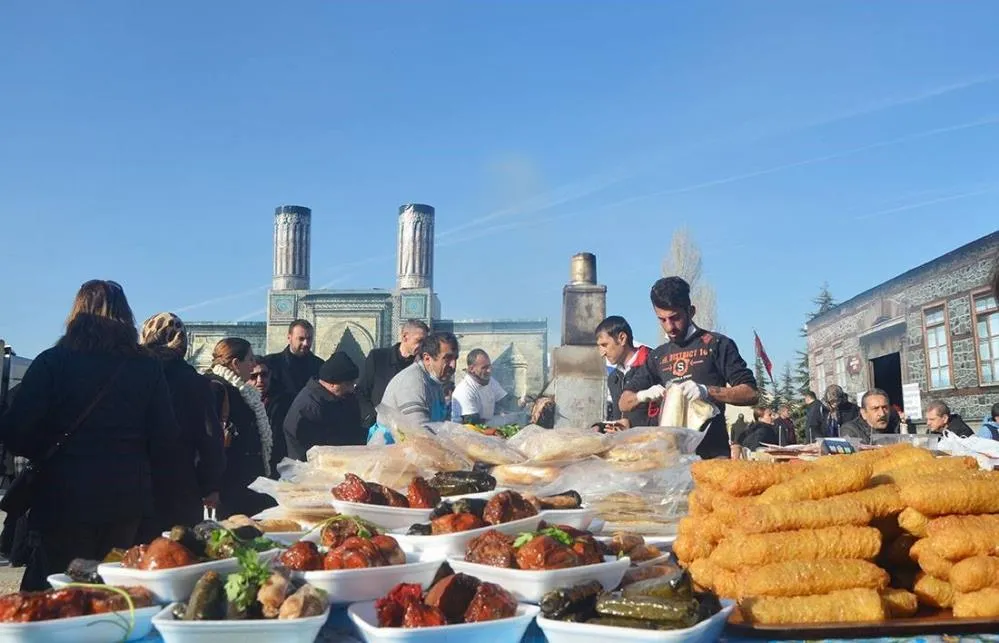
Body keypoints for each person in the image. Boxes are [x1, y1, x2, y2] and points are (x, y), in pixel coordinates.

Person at [0, 280, 180, 590]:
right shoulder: (146, 368)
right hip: (125, 501)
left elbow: (16, 432)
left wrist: (48, 451)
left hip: (62, 498)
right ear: (126, 317)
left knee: (61, 588)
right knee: (112, 588)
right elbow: (166, 439)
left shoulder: (52, 362)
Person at [619, 277, 759, 459]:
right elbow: (624, 402)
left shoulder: (716, 344)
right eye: (662, 320)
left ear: (691, 311)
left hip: (712, 457)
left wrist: (707, 391)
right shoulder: (658, 355)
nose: (669, 327)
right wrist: (642, 396)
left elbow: (751, 393)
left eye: (675, 318)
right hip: (672, 460)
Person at [138, 313, 226, 539]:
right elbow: (209, 438)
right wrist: (210, 486)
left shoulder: (134, 376)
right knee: (179, 550)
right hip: (179, 485)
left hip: (136, 484)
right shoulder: (195, 383)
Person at [205, 338, 276, 518]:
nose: (253, 365)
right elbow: (208, 441)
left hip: (243, 482)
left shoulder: (241, 391)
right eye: (250, 359)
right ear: (236, 363)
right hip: (228, 485)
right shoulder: (217, 389)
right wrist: (212, 487)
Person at [284, 352, 365, 460]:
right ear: (332, 383)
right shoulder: (309, 408)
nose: (351, 389)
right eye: (347, 384)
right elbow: (319, 451)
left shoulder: (343, 397)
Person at [356, 320, 429, 429]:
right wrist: (373, 417)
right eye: (419, 341)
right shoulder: (378, 358)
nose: (422, 346)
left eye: (425, 342)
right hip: (379, 428)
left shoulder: (421, 366)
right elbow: (361, 391)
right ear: (405, 337)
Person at [380, 332, 459, 425]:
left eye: (455, 358)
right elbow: (418, 430)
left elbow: (443, 425)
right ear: (427, 359)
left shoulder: (435, 383)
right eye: (447, 358)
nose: (453, 365)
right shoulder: (412, 382)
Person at [595, 316, 655, 430]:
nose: (602, 353)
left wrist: (632, 427)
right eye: (599, 346)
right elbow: (618, 418)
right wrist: (601, 427)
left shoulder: (654, 365)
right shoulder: (613, 378)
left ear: (622, 338)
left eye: (604, 345)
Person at [263, 320, 323, 403]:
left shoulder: (320, 366)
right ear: (289, 338)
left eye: (309, 339)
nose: (306, 343)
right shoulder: (270, 363)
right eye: (301, 339)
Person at [248, 360, 292, 472]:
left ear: (270, 374)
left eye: (264, 375)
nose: (260, 380)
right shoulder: (239, 400)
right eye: (253, 376)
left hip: (276, 461)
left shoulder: (285, 400)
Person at [451, 349, 511, 425]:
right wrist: (500, 422)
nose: (489, 371)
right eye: (484, 368)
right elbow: (472, 422)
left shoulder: (490, 381)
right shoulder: (464, 390)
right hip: (465, 430)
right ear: (471, 369)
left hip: (484, 428)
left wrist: (521, 403)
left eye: (489, 366)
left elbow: (506, 401)